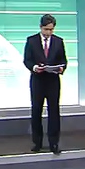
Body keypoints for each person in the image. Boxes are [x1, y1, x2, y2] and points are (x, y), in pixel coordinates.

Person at [23, 14, 67, 154]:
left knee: (54, 111)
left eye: (51, 30)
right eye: (46, 29)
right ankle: (37, 143)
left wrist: (61, 68)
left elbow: (63, 60)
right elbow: (27, 60)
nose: (49, 32)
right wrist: (35, 67)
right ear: (41, 27)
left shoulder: (58, 41)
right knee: (36, 111)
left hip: (53, 81)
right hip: (38, 81)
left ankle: (54, 143)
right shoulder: (31, 41)